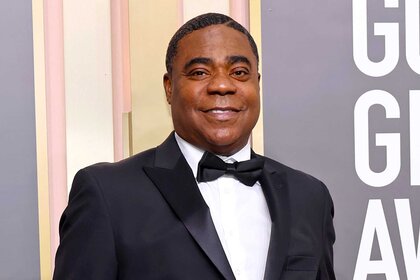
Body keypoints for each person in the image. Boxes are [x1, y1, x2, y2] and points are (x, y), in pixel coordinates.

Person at [53, 13, 335, 280]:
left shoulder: (310, 197)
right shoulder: (108, 194)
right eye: (200, 73)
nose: (223, 85)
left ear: (257, 84)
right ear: (169, 87)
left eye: (239, 72)